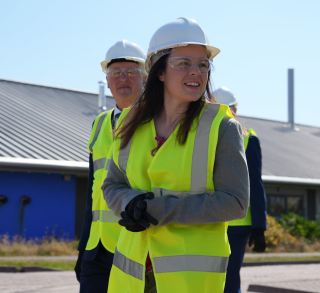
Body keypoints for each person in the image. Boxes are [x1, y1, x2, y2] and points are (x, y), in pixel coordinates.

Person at [102, 17, 250, 293]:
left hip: (188, 281)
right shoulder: (131, 122)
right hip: (131, 275)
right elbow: (112, 183)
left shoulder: (223, 127)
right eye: (183, 64)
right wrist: (129, 202)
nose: (196, 72)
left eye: (203, 65)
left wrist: (158, 209)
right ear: (159, 71)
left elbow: (235, 202)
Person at [75, 40, 147, 293]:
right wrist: (83, 246)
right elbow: (92, 193)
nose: (122, 78)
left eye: (131, 72)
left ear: (145, 78)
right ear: (107, 81)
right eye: (115, 73)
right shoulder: (99, 124)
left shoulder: (158, 121)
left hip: (135, 245)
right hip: (97, 248)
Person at [214, 86, 267, 293]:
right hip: (207, 217)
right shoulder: (200, 138)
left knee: (228, 278)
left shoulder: (248, 140)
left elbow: (255, 182)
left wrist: (259, 226)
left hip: (237, 223)